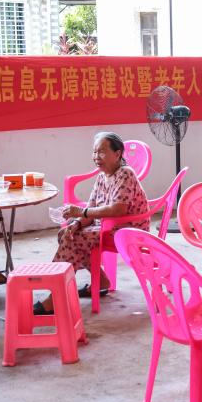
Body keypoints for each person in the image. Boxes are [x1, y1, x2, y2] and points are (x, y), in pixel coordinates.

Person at [37, 132, 150, 314]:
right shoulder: (102, 177)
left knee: (74, 240)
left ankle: (55, 297)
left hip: (127, 231)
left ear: (117, 154)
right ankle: (101, 281)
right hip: (107, 228)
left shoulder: (126, 174)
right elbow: (90, 209)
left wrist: (81, 213)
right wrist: (76, 223)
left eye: (102, 152)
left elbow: (118, 210)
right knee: (67, 233)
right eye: (95, 152)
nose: (96, 157)